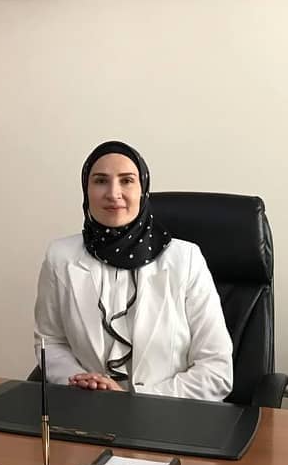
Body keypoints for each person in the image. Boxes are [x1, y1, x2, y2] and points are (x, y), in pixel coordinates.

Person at [33, 141, 233, 401]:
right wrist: (80, 382)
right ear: (86, 190)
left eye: (126, 181)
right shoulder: (60, 257)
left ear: (143, 190)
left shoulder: (186, 259)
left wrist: (132, 400)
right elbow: (51, 342)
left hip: (167, 414)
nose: (113, 193)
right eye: (100, 181)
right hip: (89, 409)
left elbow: (216, 370)